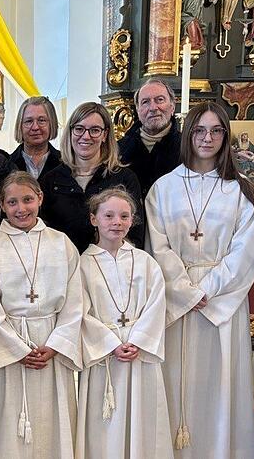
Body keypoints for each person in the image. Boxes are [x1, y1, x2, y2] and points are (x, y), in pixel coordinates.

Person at [145, 102, 254, 457]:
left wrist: (206, 291)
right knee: (176, 385)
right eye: (199, 130)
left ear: (226, 137)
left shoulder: (238, 191)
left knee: (220, 386)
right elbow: (157, 244)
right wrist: (184, 291)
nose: (207, 138)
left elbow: (245, 251)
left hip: (221, 304)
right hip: (177, 303)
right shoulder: (163, 189)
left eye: (215, 131)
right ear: (188, 134)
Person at [0, 171, 82, 458]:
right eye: (13, 202)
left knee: (51, 419)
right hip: (9, 349)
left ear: (40, 199)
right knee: (4, 421)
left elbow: (76, 301)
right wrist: (18, 350)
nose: (21, 209)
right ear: (2, 205)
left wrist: (55, 345)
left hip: (50, 344)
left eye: (28, 200)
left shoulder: (61, 243)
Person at [78, 188, 171, 459]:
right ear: (94, 219)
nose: (116, 222)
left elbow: (157, 303)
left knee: (141, 418)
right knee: (104, 421)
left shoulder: (145, 261)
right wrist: (110, 344)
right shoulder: (83, 264)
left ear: (132, 221)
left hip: (137, 354)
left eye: (124, 216)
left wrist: (138, 340)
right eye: (108, 215)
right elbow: (79, 311)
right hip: (104, 357)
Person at [41, 102, 144, 252]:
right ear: (70, 132)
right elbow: (43, 234)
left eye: (95, 130)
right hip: (63, 266)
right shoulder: (50, 180)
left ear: (105, 134)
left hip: (110, 267)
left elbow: (135, 235)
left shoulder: (124, 178)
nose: (86, 136)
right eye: (79, 129)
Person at [117, 78, 182, 197]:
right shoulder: (118, 149)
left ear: (172, 106)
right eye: (145, 102)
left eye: (160, 100)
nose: (153, 108)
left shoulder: (187, 147)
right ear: (137, 110)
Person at [9, 96, 63, 180]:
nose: (35, 127)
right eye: (28, 121)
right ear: (20, 126)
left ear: (52, 124)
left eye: (41, 120)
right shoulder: (6, 165)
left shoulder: (65, 163)